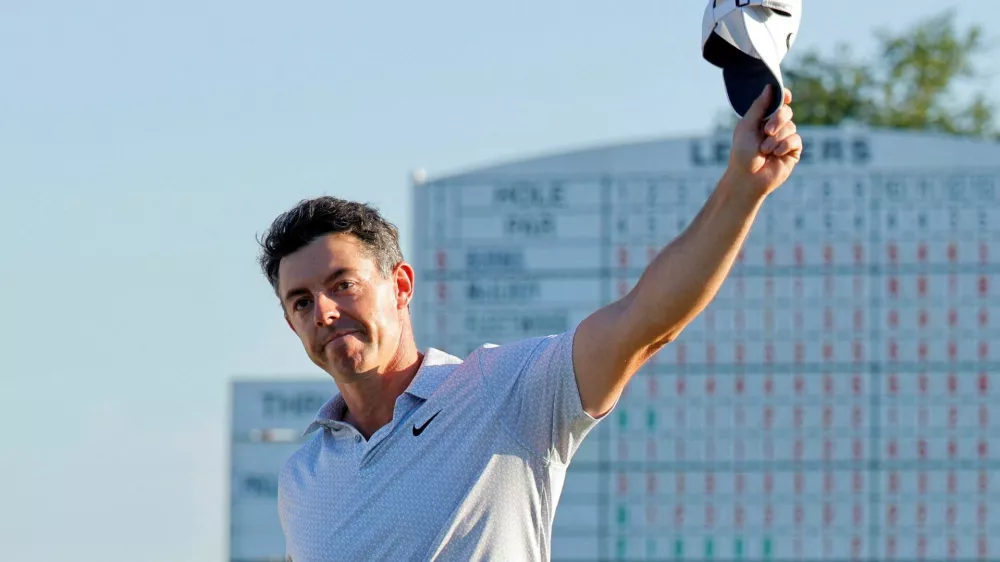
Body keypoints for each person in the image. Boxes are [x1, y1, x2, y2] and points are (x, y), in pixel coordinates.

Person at [257, 85, 802, 561]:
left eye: (342, 284)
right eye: (301, 302)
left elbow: (646, 320)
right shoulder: (301, 477)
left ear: (400, 286)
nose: (324, 312)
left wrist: (741, 188)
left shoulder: (504, 393)